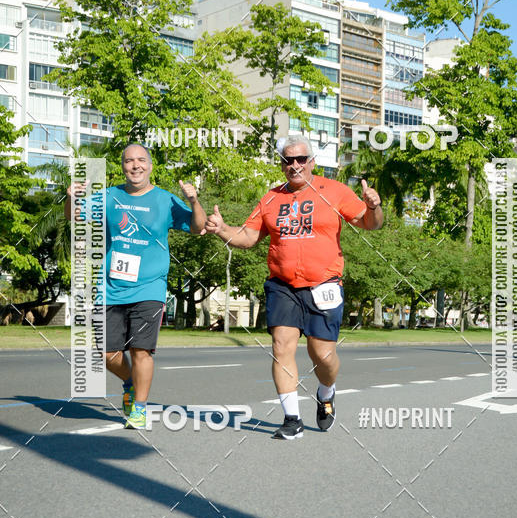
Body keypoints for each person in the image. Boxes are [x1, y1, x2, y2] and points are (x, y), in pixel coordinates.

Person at [203, 134, 382, 440]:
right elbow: (247, 237)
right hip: (282, 284)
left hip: (323, 283)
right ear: (282, 164)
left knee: (322, 355)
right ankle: (291, 419)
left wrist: (374, 207)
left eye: (301, 159)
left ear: (312, 162)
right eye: (288, 160)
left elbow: (370, 223)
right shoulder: (271, 198)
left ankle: (326, 392)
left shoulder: (334, 191)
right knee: (281, 346)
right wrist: (221, 230)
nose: (295, 165)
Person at [65, 143, 206, 429]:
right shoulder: (108, 196)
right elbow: (74, 216)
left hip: (150, 287)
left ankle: (139, 408)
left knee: (141, 350)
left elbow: (197, 227)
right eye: (129, 161)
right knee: (106, 353)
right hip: (111, 287)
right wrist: (70, 198)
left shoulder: (164, 200)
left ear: (150, 166)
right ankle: (130, 382)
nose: (135, 165)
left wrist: (193, 201)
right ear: (123, 167)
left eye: (141, 160)